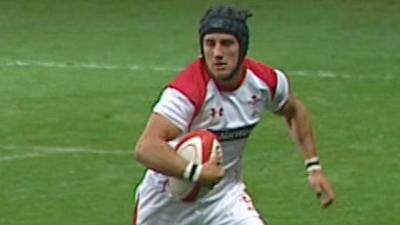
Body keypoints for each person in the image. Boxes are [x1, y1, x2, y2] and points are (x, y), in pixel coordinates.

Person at [133, 5, 335, 225]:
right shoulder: (188, 91)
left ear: (242, 47)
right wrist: (196, 173)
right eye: (210, 44)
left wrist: (313, 167)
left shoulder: (265, 82)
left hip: (223, 199)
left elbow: (295, 111)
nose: (217, 53)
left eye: (227, 43)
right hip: (167, 204)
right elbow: (146, 147)